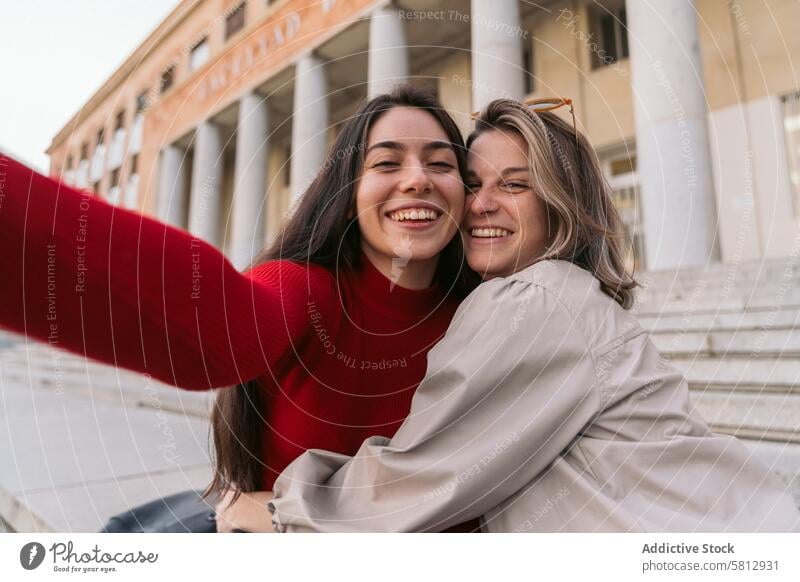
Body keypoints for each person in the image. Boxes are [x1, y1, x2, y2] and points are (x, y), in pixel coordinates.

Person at [265, 97, 800, 532]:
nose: (479, 204)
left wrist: (279, 508)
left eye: (514, 184)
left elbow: (416, 483)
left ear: (561, 202)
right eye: (473, 184)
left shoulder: (535, 300)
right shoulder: (562, 297)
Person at [0, 86, 481, 533]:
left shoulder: (487, 316)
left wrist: (278, 516)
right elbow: (216, 329)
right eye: (386, 163)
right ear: (348, 193)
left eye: (440, 164)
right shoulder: (306, 289)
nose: (418, 179)